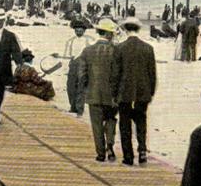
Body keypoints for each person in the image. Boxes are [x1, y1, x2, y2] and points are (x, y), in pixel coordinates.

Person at [111, 17, 157, 165]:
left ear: (125, 29)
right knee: (141, 121)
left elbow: (115, 74)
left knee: (125, 124)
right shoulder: (148, 48)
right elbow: (152, 74)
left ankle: (128, 156)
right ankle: (142, 149)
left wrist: (113, 93)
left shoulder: (119, 48)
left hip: (124, 93)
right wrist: (150, 93)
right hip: (142, 92)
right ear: (138, 29)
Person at [77, 18, 119, 162]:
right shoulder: (116, 51)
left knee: (96, 125)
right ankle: (110, 145)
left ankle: (100, 153)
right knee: (111, 120)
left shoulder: (87, 51)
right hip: (112, 95)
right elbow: (119, 74)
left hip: (93, 94)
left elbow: (82, 75)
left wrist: (85, 90)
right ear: (108, 34)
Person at [63, 18, 94, 117]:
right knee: (70, 86)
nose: (78, 31)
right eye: (77, 30)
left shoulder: (89, 40)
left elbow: (92, 54)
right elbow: (66, 55)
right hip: (73, 64)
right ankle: (73, 107)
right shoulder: (70, 41)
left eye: (80, 30)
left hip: (84, 64)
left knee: (81, 87)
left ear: (84, 30)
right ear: (74, 30)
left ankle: (79, 109)